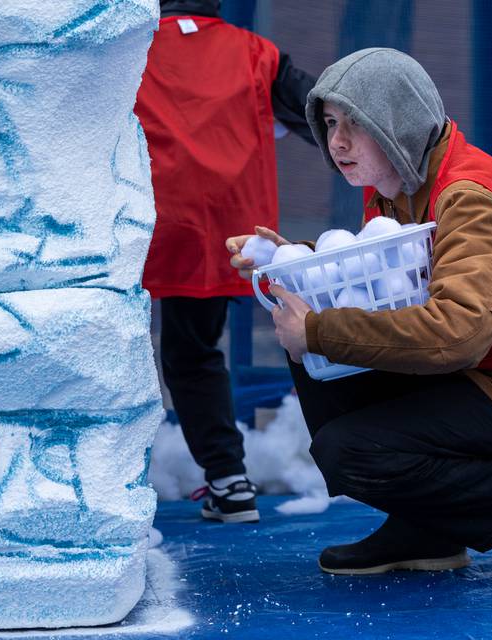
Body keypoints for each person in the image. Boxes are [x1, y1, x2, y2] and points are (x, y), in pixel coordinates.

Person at [226, 48, 492, 585]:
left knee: (348, 444)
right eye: (330, 123)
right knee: (321, 360)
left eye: (354, 123)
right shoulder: (397, 188)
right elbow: (386, 288)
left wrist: (318, 330)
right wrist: (289, 259)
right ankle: (429, 528)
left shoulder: (470, 197)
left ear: (397, 123)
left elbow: (458, 333)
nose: (337, 141)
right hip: (488, 372)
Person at [134, 0, 317, 523]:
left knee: (105, 347)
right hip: (226, 229)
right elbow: (322, 114)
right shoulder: (256, 53)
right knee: (194, 352)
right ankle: (228, 479)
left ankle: (93, 483)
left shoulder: (130, 47)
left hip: (139, 217)